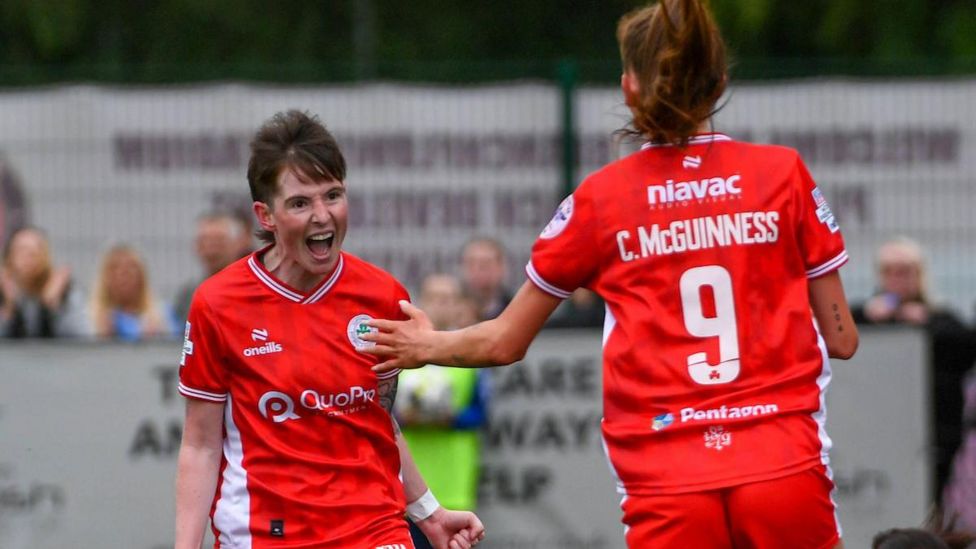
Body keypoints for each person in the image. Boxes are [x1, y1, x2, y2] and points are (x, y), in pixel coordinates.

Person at [364, 1, 859, 548]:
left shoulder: (603, 199)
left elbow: (504, 341)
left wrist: (425, 344)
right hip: (781, 459)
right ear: (719, 81)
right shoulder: (783, 174)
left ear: (628, 88)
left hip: (666, 475)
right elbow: (840, 336)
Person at [174, 110, 484, 549]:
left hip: (374, 529)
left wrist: (429, 514)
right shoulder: (218, 304)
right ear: (265, 215)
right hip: (264, 534)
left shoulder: (382, 296)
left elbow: (379, 421)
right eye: (300, 203)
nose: (322, 215)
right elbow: (201, 445)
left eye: (333, 195)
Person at [852, 237, 975, 499]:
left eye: (905, 271)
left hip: (934, 432)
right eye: (889, 271)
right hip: (878, 426)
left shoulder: (942, 319)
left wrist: (926, 321)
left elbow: (965, 348)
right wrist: (867, 315)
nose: (897, 279)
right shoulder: (864, 316)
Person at [396, 274, 490, 549]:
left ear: (460, 305)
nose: (440, 306)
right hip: (402, 491)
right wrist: (406, 418)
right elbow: (380, 411)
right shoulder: (400, 352)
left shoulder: (470, 354)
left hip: (453, 485)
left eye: (448, 299)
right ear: (422, 302)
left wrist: (451, 419)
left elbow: (482, 414)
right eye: (434, 298)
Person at [1, 226, 89, 338]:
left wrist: (52, 307)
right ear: (9, 257)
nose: (30, 255)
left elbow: (83, 339)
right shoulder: (2, 292)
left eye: (37, 249)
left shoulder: (65, 289)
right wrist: (9, 308)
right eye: (22, 249)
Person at [173, 210, 251, 324]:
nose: (211, 249)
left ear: (238, 243)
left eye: (218, 241)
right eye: (204, 241)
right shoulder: (188, 295)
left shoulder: (253, 289)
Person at [89, 243, 178, 341]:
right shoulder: (90, 319)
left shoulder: (161, 314)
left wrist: (159, 336)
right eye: (114, 268)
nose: (123, 275)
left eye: (131, 268)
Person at [459, 237, 512, 321]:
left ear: (502, 268)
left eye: (485, 264)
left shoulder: (516, 307)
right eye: (471, 264)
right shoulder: (452, 308)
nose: (477, 270)